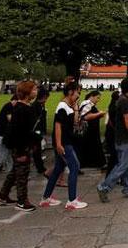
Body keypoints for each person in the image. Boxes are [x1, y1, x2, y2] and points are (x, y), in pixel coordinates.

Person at [40, 82, 88, 210]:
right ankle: (72, 200)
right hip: (64, 143)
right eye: (77, 92)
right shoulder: (62, 107)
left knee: (58, 169)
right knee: (74, 167)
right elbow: (57, 126)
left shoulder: (68, 106)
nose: (78, 95)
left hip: (65, 141)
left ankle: (46, 197)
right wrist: (59, 144)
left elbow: (75, 122)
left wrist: (76, 108)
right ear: (71, 91)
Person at [97, 77, 128, 203]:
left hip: (122, 137)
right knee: (123, 165)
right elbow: (127, 119)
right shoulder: (124, 101)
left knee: (126, 164)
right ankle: (104, 187)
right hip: (124, 138)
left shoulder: (124, 100)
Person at [0, 81, 38, 211]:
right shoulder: (21, 109)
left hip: (24, 145)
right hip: (21, 146)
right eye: (34, 89)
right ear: (27, 92)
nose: (36, 91)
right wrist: (21, 151)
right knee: (22, 174)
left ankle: (2, 195)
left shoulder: (24, 107)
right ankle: (21, 200)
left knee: (15, 172)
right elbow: (18, 131)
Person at [78, 90, 107, 169]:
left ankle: (92, 163)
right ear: (92, 96)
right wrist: (99, 114)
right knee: (92, 146)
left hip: (92, 131)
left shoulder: (88, 104)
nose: (98, 100)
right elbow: (85, 117)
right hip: (89, 131)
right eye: (97, 98)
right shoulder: (87, 104)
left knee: (91, 147)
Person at [31, 87, 49, 174]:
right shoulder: (36, 106)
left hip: (38, 131)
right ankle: (40, 167)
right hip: (36, 132)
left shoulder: (40, 105)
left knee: (38, 150)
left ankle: (40, 166)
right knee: (36, 150)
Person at [104, 91, 120, 177]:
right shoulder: (115, 108)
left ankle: (111, 175)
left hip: (111, 133)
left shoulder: (112, 106)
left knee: (114, 156)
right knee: (115, 156)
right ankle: (110, 175)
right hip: (113, 134)